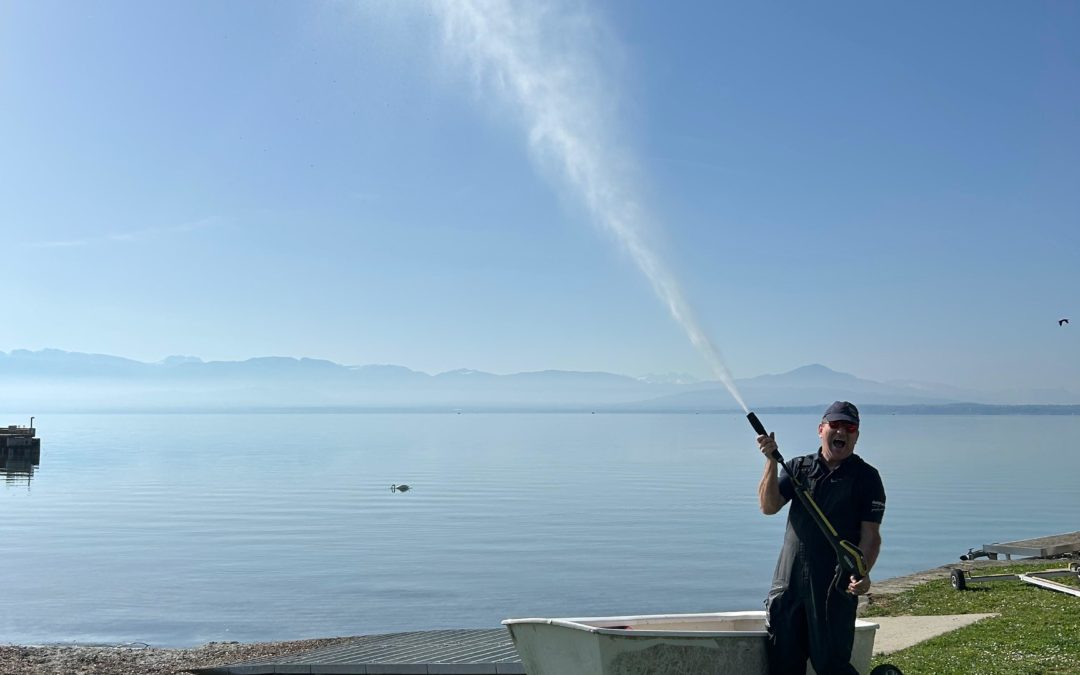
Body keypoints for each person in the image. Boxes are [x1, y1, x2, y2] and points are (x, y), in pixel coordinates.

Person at [756, 401, 886, 675]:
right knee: (783, 665)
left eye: (850, 427)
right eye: (835, 425)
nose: (842, 432)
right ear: (821, 429)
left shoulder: (867, 478)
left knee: (831, 666)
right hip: (788, 584)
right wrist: (770, 462)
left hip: (833, 588)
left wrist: (862, 573)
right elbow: (768, 506)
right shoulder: (798, 467)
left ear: (857, 435)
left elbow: (871, 536)